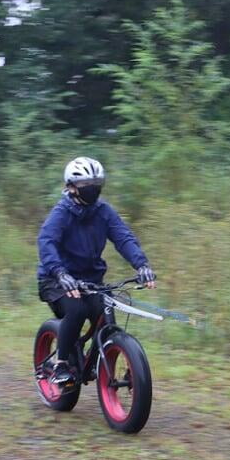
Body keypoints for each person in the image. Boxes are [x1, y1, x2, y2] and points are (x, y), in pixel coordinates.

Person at [35, 156, 156, 386]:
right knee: (78, 311)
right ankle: (61, 363)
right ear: (71, 187)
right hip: (56, 280)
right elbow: (46, 241)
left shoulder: (103, 211)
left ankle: (118, 360)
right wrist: (60, 273)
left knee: (105, 311)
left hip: (91, 282)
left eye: (96, 185)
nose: (92, 190)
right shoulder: (61, 213)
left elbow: (123, 237)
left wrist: (142, 265)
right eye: (86, 186)